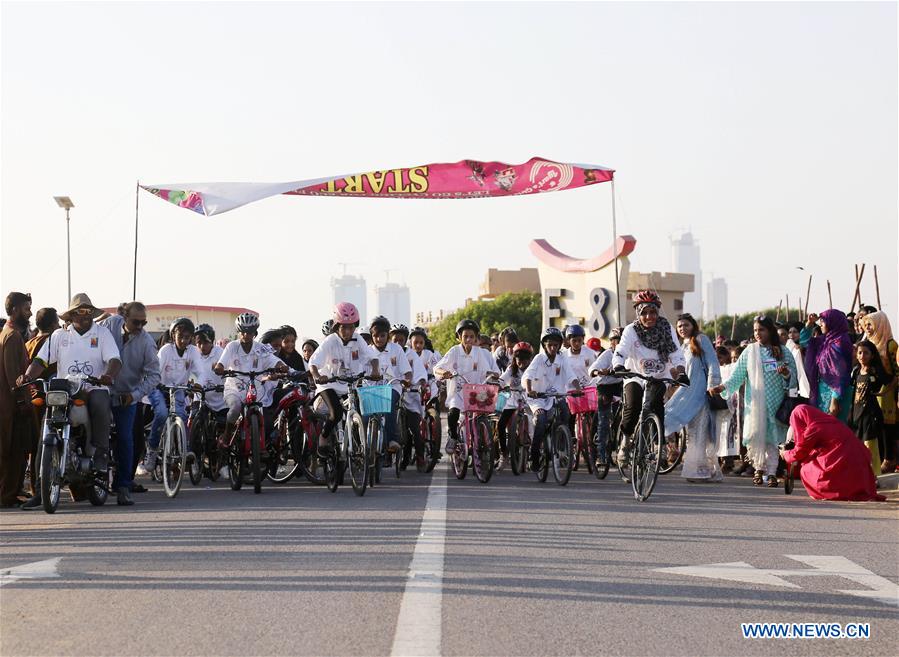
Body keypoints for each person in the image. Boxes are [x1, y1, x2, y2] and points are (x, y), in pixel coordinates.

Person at [20, 293, 121, 478]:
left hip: (94, 387)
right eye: (81, 311)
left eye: (89, 311)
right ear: (72, 314)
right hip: (65, 389)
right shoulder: (59, 335)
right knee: (47, 425)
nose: (86, 314)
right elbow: (41, 361)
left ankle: (100, 453)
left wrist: (109, 375)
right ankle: (41, 487)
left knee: (100, 402)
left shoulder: (102, 334)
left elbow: (115, 359)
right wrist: (27, 376)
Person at [709, 315, 797, 487]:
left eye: (761, 330)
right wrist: (723, 387)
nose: (758, 333)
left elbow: (793, 378)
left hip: (775, 403)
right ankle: (758, 469)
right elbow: (737, 376)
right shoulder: (750, 351)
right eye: (755, 330)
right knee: (755, 436)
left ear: (770, 331)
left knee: (772, 438)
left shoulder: (782, 351)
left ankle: (771, 472)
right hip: (754, 404)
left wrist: (785, 373)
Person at [612, 291, 688, 466]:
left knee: (655, 405)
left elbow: (677, 354)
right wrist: (618, 365)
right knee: (633, 405)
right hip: (635, 375)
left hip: (659, 375)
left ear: (657, 312)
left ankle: (657, 445)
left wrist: (681, 372)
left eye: (652, 312)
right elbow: (621, 351)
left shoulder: (667, 328)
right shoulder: (632, 330)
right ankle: (625, 442)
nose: (649, 317)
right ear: (638, 313)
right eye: (644, 312)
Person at [99, 302, 160, 505]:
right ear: (124, 317)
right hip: (100, 390)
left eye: (144, 322)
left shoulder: (147, 342)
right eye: (136, 322)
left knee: (126, 439)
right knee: (92, 433)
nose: (141, 326)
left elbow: (154, 376)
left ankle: (123, 485)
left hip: (126, 396)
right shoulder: (109, 325)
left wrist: (134, 395)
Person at [308, 303, 379, 455]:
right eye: (343, 327)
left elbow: (372, 357)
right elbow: (313, 363)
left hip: (349, 384)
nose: (347, 331)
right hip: (329, 384)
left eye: (351, 327)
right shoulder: (330, 341)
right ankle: (324, 436)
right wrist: (318, 376)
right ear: (336, 326)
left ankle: (358, 445)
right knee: (336, 413)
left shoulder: (358, 339)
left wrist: (375, 370)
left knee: (360, 410)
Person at [137, 318, 202, 476]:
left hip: (178, 389)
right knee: (161, 414)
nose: (183, 340)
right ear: (173, 336)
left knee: (182, 415)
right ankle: (152, 451)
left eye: (187, 337)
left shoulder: (193, 351)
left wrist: (198, 383)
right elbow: (155, 371)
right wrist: (158, 385)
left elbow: (201, 371)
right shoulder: (166, 350)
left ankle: (183, 449)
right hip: (158, 387)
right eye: (180, 336)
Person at [213, 313, 288, 447]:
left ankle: (261, 447)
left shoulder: (261, 348)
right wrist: (219, 368)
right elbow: (221, 363)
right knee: (235, 408)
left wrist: (281, 366)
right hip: (234, 390)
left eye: (249, 332)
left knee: (265, 418)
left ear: (255, 333)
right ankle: (226, 436)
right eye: (242, 332)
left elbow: (273, 360)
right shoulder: (231, 347)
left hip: (256, 391)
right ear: (238, 332)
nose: (245, 335)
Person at [782, 405, 885, 501]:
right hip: (860, 473)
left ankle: (824, 492)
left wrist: (785, 454)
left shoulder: (814, 428)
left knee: (806, 469)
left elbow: (800, 453)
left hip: (842, 468)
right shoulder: (831, 421)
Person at [664, 313, 722, 482]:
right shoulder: (681, 347)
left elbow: (712, 362)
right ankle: (702, 469)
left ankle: (701, 470)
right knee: (692, 432)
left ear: (693, 326)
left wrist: (713, 385)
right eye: (680, 326)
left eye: (686, 325)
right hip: (687, 395)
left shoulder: (701, 339)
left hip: (702, 393)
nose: (682, 329)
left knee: (700, 431)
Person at [434, 319, 499, 454]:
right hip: (458, 391)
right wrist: (444, 372)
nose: (468, 339)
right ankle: (453, 437)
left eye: (471, 336)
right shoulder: (454, 351)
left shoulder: (479, 352)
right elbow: (437, 368)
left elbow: (487, 370)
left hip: (476, 391)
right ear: (459, 338)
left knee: (483, 416)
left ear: (476, 338)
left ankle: (480, 442)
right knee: (453, 413)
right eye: (465, 336)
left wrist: (493, 374)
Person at [523, 327, 581, 470]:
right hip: (538, 397)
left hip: (556, 396)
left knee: (565, 413)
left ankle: (562, 447)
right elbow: (528, 376)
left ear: (560, 345)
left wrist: (577, 388)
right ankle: (534, 454)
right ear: (544, 345)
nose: (553, 348)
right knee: (541, 420)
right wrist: (530, 390)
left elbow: (571, 375)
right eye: (550, 345)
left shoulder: (562, 359)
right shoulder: (539, 358)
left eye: (556, 345)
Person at [19, 307, 59, 509]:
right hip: (46, 399)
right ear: (53, 324)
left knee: (37, 446)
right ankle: (40, 490)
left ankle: (40, 490)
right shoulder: (50, 343)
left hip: (30, 398)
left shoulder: (29, 342)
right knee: (44, 444)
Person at [1, 292, 32, 507]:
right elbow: (15, 378)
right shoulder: (12, 337)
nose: (29, 312)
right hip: (10, 406)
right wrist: (22, 403)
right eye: (26, 308)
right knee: (12, 451)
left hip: (8, 404)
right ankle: (7, 495)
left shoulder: (8, 333)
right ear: (14, 310)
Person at [858, 311, 898, 473]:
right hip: (873, 392)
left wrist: (890, 389)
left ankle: (890, 458)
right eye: (865, 324)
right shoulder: (869, 344)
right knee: (875, 426)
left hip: (889, 392)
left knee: (889, 427)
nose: (867, 328)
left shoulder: (891, 345)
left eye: (870, 324)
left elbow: (896, 372)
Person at [368, 316, 413, 455]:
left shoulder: (397, 349)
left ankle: (392, 440)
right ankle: (364, 445)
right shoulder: (367, 351)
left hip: (393, 386)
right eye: (375, 336)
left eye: (382, 335)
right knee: (365, 415)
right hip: (371, 388)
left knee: (388, 403)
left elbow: (407, 371)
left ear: (388, 335)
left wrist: (407, 380)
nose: (379, 339)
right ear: (371, 336)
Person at [802, 309, 853, 424]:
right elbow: (804, 342)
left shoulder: (841, 343)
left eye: (823, 321)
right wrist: (809, 324)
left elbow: (841, 374)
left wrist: (835, 400)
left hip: (836, 394)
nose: (820, 324)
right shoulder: (824, 341)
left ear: (833, 322)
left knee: (834, 432)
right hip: (821, 391)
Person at [848, 340, 890, 476]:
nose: (862, 356)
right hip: (857, 413)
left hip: (871, 414)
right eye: (860, 353)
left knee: (870, 445)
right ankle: (861, 475)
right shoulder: (855, 371)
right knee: (858, 445)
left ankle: (873, 475)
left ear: (872, 355)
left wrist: (882, 393)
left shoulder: (875, 371)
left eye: (866, 353)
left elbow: (892, 381)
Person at [497, 341, 534, 470]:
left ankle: (534, 452)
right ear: (514, 358)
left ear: (530, 359)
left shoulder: (533, 370)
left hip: (529, 402)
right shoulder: (511, 369)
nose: (521, 361)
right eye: (518, 358)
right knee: (501, 424)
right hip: (513, 401)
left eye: (525, 358)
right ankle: (504, 453)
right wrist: (497, 385)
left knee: (533, 424)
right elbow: (502, 380)